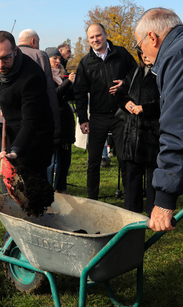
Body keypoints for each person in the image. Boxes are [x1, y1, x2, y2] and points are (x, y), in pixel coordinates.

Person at [0, 30, 54, 269]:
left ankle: (29, 249)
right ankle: (17, 245)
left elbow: (31, 122)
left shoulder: (31, 77)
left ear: (16, 51)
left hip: (35, 139)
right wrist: (7, 109)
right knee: (13, 194)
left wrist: (15, 152)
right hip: (15, 132)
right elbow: (6, 94)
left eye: (6, 58)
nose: (1, 64)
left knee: (29, 197)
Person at [73, 23, 137, 200]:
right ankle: (92, 199)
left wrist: (125, 83)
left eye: (98, 35)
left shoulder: (121, 53)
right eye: (92, 37)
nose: (95, 40)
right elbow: (79, 92)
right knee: (94, 161)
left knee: (125, 159)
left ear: (105, 34)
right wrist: (83, 119)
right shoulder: (85, 62)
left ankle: (131, 199)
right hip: (98, 117)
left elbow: (137, 75)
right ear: (88, 40)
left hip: (121, 114)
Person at [134, 7, 183, 231]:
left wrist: (163, 200)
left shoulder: (175, 57)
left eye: (139, 44)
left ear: (152, 37)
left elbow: (177, 124)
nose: (141, 52)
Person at [115, 50, 160, 216]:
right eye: (142, 54)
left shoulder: (163, 72)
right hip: (133, 133)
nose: (145, 56)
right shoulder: (135, 72)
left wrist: (146, 108)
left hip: (153, 133)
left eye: (148, 53)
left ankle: (153, 213)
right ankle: (132, 213)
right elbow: (120, 92)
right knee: (132, 175)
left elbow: (169, 101)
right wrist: (126, 102)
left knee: (153, 176)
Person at [17, 29, 60, 139]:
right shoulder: (40, 55)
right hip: (36, 118)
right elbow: (49, 89)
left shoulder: (7, 56)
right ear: (33, 41)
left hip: (9, 118)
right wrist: (55, 124)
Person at [45, 47, 76, 194]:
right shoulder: (44, 77)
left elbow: (69, 97)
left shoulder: (62, 75)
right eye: (54, 58)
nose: (58, 61)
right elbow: (54, 96)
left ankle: (61, 188)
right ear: (47, 59)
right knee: (50, 161)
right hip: (52, 124)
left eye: (59, 58)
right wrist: (68, 83)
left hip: (65, 124)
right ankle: (47, 189)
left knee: (65, 160)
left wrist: (73, 84)